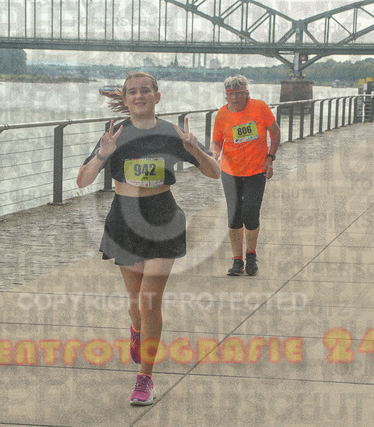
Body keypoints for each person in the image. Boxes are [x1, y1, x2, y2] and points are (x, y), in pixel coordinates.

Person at [77, 71, 220, 405]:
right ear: (126, 99)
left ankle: (145, 378)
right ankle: (137, 330)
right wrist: (102, 155)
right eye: (132, 92)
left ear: (157, 96)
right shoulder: (115, 134)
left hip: (162, 219)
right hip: (124, 220)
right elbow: (82, 181)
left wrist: (195, 151)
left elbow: (215, 172)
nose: (139, 96)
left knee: (149, 300)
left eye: (145, 91)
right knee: (135, 303)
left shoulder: (172, 133)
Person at [210, 75, 281, 276]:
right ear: (226, 96)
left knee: (250, 213)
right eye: (231, 94)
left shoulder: (260, 108)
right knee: (234, 215)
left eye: (240, 94)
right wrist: (213, 155)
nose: (235, 98)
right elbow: (217, 141)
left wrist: (270, 158)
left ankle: (251, 255)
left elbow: (275, 133)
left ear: (247, 93)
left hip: (255, 171)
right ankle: (237, 260)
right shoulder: (222, 114)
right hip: (230, 171)